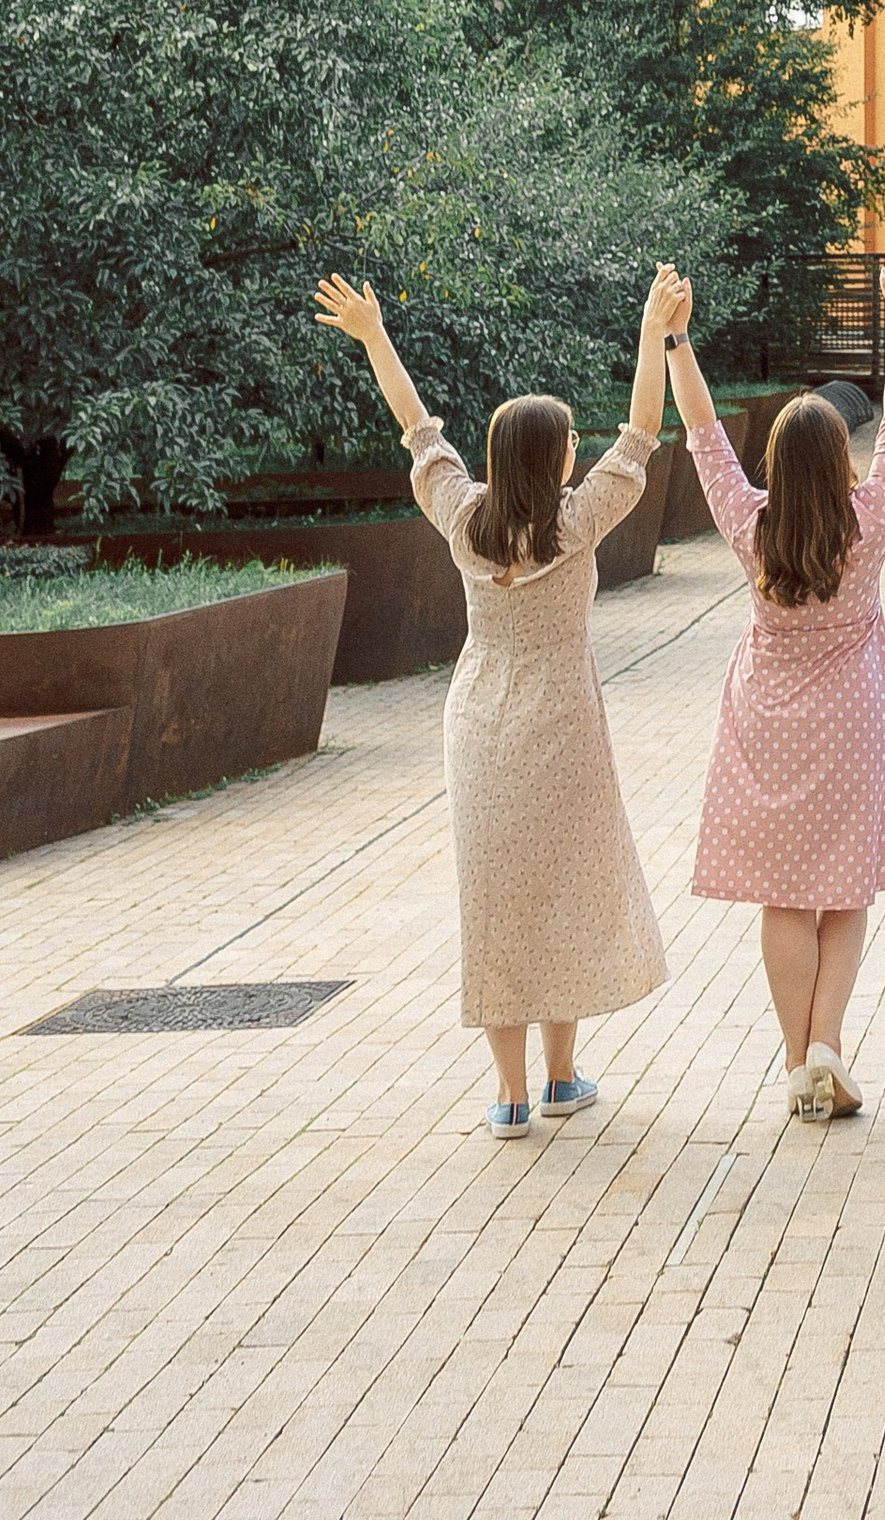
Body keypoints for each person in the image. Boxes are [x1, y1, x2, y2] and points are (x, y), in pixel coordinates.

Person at [310, 264, 683, 1138]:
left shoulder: (461, 516)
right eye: (570, 440)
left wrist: (374, 334)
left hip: (480, 726)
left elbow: (417, 429)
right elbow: (641, 434)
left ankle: (510, 1095)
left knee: (498, 902)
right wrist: (651, 330)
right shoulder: (577, 521)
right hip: (565, 725)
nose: (579, 446)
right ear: (554, 459)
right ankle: (561, 1078)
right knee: (563, 894)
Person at [662, 250, 885, 1124]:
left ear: (777, 460)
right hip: (852, 721)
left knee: (785, 894)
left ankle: (794, 1060)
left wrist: (676, 341)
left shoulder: (752, 526)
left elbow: (703, 435)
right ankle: (827, 1046)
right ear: (840, 458)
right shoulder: (871, 520)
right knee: (844, 892)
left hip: (769, 724)